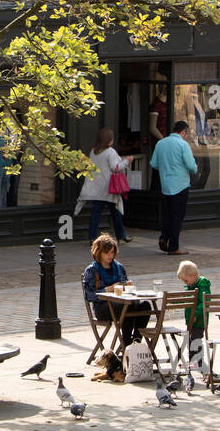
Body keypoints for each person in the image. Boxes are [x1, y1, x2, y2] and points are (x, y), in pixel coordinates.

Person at [81, 234, 147, 346]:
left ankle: (136, 341)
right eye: (107, 253)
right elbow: (89, 296)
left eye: (112, 252)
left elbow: (125, 286)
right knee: (128, 306)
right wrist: (107, 290)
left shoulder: (119, 267)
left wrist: (127, 286)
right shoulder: (92, 270)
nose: (110, 255)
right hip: (102, 307)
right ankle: (126, 343)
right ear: (99, 253)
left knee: (145, 305)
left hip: (122, 303)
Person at [73, 128, 134, 243]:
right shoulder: (110, 152)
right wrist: (127, 161)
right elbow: (115, 167)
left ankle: (92, 237)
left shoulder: (93, 151)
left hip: (96, 187)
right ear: (109, 140)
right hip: (109, 187)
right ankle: (121, 235)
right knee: (115, 212)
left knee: (95, 213)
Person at [150, 120, 197, 254]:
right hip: (180, 185)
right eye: (185, 133)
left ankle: (164, 237)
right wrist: (194, 169)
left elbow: (154, 163)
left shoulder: (161, 143)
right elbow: (191, 166)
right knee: (177, 216)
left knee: (167, 215)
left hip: (165, 185)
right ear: (183, 132)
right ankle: (173, 246)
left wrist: (165, 167)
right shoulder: (183, 145)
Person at [178, 259, 210, 372]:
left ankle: (198, 361)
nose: (185, 283)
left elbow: (204, 303)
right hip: (190, 319)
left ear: (194, 275)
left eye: (186, 280)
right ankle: (193, 361)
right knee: (190, 340)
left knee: (196, 340)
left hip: (199, 319)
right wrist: (174, 302)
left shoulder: (202, 285)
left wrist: (196, 314)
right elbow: (185, 299)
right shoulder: (189, 286)